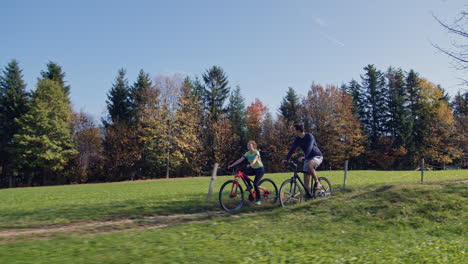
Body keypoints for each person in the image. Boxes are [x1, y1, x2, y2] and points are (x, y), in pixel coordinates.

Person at [282, 123, 323, 193]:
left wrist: (304, 157)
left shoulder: (309, 136)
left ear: (298, 130)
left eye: (294, 130)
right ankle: (308, 195)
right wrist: (286, 159)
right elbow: (292, 149)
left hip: (317, 156)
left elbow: (309, 148)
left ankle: (317, 182)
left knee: (310, 165)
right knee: (306, 179)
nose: (294, 132)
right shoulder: (297, 139)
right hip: (307, 157)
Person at [228, 140, 265, 205]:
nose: (248, 146)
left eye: (249, 145)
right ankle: (249, 186)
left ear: (253, 146)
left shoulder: (256, 152)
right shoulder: (247, 153)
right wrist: (232, 165)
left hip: (260, 170)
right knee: (243, 174)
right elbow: (240, 160)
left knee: (256, 184)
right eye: (247, 145)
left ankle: (258, 199)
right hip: (253, 169)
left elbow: (254, 160)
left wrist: (250, 165)